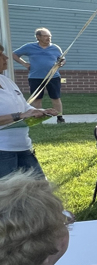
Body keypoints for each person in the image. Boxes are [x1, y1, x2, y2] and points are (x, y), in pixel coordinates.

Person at [0, 44, 56, 178]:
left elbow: (24, 107)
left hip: (23, 146)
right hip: (3, 150)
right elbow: (22, 113)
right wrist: (20, 115)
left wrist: (39, 111)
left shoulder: (6, 81)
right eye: (0, 55)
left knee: (41, 189)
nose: (6, 57)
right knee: (9, 195)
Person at [13, 27, 66, 123]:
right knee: (37, 98)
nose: (48, 38)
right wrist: (24, 64)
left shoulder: (55, 47)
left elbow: (62, 59)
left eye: (49, 36)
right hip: (35, 77)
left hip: (53, 77)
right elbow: (14, 54)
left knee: (55, 97)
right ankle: (38, 118)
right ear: (38, 37)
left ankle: (60, 117)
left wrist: (61, 63)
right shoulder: (29, 47)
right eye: (45, 36)